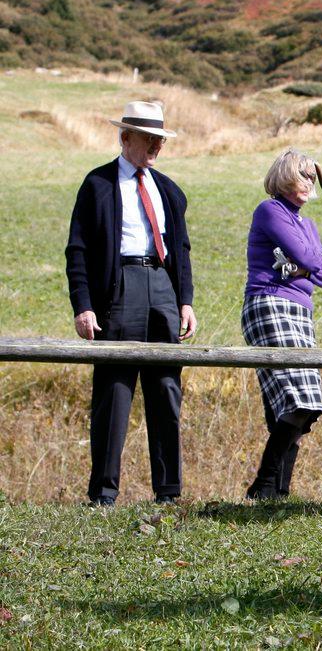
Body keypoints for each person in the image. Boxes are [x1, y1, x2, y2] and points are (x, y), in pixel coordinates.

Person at [65, 100, 197, 507]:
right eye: (149, 139)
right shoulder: (97, 184)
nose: (157, 146)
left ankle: (169, 493)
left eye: (161, 138)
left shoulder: (170, 190)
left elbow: (182, 250)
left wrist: (186, 302)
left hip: (161, 287)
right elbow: (78, 250)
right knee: (114, 392)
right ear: (125, 137)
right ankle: (103, 494)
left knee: (166, 391)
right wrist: (83, 306)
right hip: (119, 288)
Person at [242, 149, 322, 500]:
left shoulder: (306, 224)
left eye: (313, 177)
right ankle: (264, 485)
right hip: (269, 305)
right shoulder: (270, 211)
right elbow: (314, 261)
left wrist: (306, 266)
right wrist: (308, 264)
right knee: (300, 401)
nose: (310, 183)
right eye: (303, 175)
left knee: (300, 408)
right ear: (284, 177)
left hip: (300, 312)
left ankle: (278, 492)